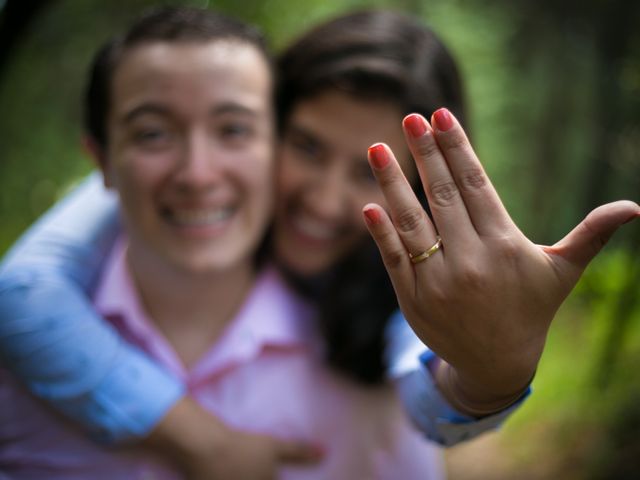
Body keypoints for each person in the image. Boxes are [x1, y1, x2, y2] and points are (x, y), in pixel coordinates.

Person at [1, 6, 638, 479]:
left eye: (371, 169)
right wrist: (199, 439)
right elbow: (24, 288)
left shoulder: (404, 289)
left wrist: (491, 371)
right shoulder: (178, 183)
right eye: (305, 146)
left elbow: (429, 394)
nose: (325, 200)